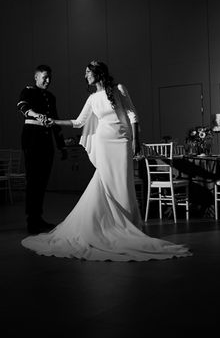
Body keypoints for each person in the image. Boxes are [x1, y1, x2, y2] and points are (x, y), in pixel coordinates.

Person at [21, 61, 192, 261]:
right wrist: (53, 121)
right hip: (103, 142)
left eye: (88, 72)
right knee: (106, 181)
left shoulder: (118, 89)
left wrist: (136, 140)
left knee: (124, 183)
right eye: (85, 73)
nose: (85, 76)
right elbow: (78, 122)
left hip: (121, 142)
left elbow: (132, 114)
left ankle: (128, 224)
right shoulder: (92, 98)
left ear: (98, 72)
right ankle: (111, 226)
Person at [17, 64, 67, 234]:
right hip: (32, 140)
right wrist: (36, 114)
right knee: (33, 181)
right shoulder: (28, 91)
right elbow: (22, 106)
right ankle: (32, 221)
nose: (48, 80)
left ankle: (38, 218)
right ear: (36, 77)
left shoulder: (51, 97)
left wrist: (61, 146)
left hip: (46, 142)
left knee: (42, 182)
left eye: (50, 77)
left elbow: (55, 121)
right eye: (45, 77)